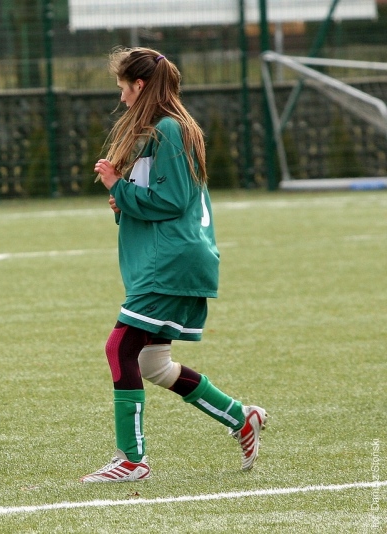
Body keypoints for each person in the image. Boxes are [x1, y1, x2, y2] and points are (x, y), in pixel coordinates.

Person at [80, 47, 268, 483]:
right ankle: (241, 417)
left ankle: (131, 460)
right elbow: (160, 199)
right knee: (152, 363)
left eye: (124, 89)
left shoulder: (169, 129)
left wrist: (116, 185)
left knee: (120, 348)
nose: (122, 99)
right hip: (174, 257)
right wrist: (122, 197)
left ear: (139, 85)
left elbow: (172, 200)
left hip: (172, 261)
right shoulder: (164, 131)